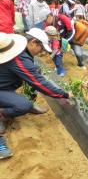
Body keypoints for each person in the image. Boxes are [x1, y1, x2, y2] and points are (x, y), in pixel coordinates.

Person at [0, 29, 72, 159]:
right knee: (23, 105)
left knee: (34, 72)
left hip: (4, 87)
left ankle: (20, 103)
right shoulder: (18, 59)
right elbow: (39, 83)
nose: (42, 52)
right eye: (41, 48)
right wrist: (64, 94)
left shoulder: (21, 54)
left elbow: (34, 76)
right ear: (33, 43)